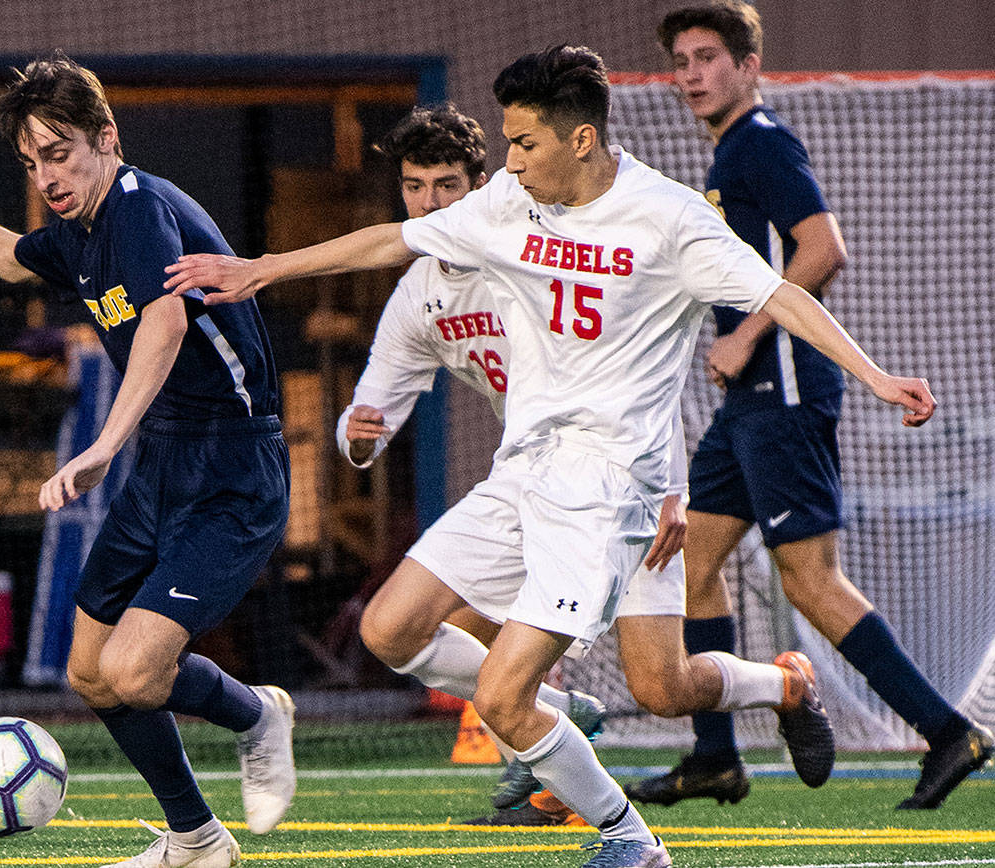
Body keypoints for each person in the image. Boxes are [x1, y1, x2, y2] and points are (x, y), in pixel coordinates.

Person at [166, 43, 937, 867]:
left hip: (612, 488)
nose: (510, 162)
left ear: (579, 141)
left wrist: (877, 375)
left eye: (524, 144)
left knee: (519, 694)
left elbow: (781, 293)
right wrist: (265, 268)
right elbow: (392, 239)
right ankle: (782, 683)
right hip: (526, 471)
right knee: (411, 634)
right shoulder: (505, 203)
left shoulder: (671, 219)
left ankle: (629, 839)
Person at [0, 53, 294, 868]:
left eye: (59, 153)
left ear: (108, 138)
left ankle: (256, 716)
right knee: (92, 674)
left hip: (232, 469)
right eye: (31, 163)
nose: (46, 176)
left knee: (137, 672)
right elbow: (5, 252)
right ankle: (198, 842)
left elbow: (166, 328)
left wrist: (104, 446)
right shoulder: (81, 230)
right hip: (165, 460)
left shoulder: (137, 209)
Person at [625, 0, 994, 811]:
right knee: (689, 562)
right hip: (749, 406)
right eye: (681, 60)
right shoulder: (729, 155)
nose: (691, 73)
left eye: (708, 57)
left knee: (811, 583)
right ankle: (715, 758)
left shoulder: (763, 142)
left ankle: (947, 733)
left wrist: (747, 336)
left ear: (749, 66)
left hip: (786, 391)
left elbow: (824, 246)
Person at [340, 104, 612, 828]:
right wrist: (360, 437)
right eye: (414, 187)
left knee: (664, 677)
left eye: (446, 186)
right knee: (390, 630)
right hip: (525, 474)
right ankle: (563, 718)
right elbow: (372, 412)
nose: (430, 204)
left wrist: (669, 480)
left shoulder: (539, 248)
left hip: (611, 469)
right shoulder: (418, 294)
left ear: (484, 185)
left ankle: (774, 693)